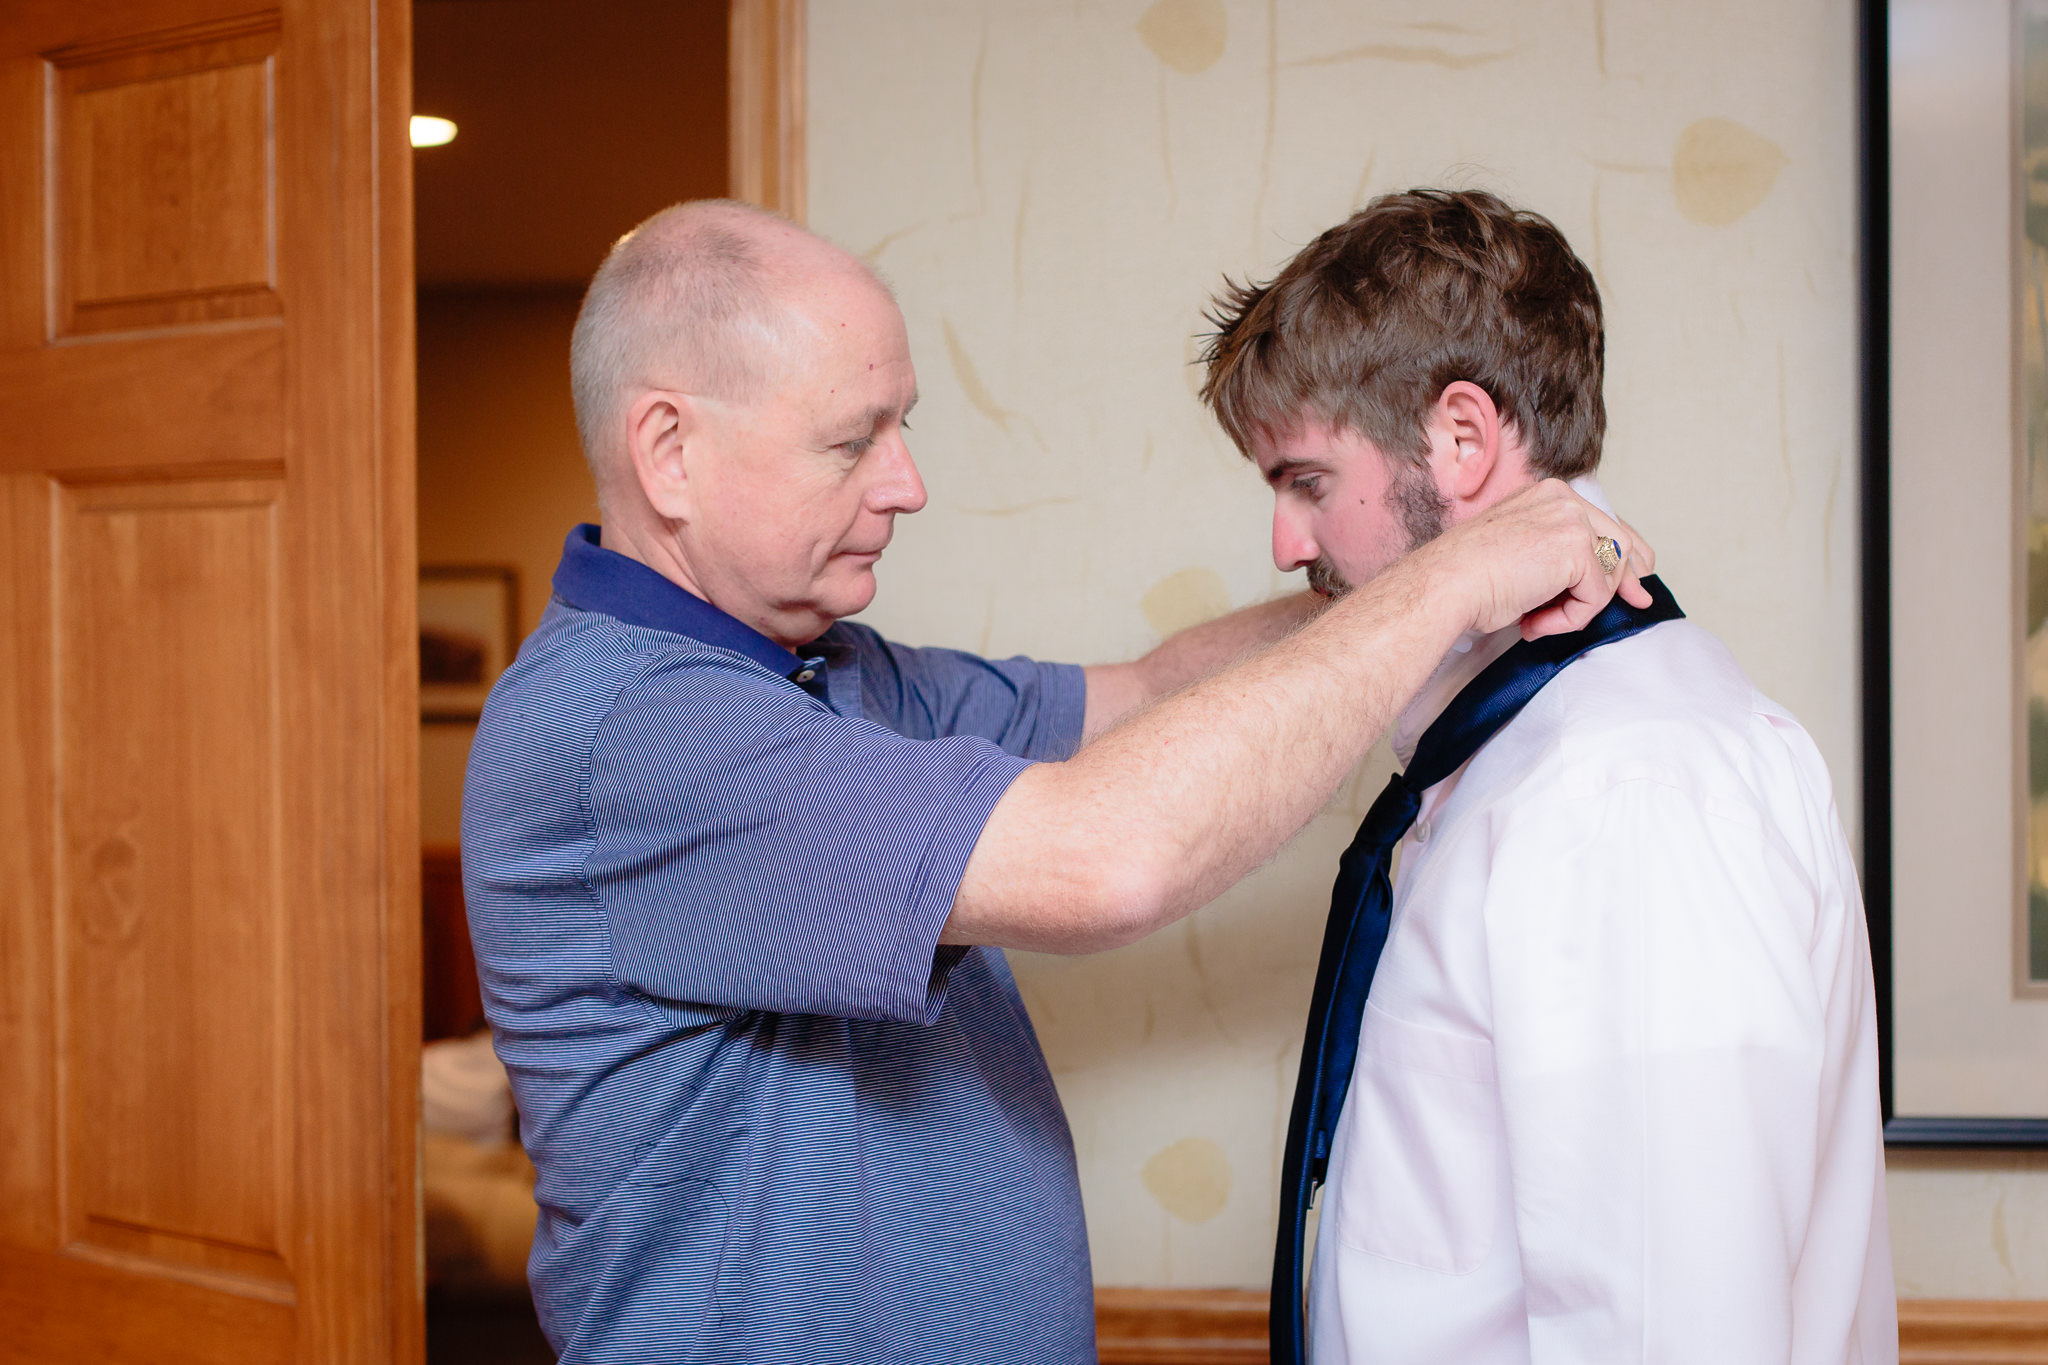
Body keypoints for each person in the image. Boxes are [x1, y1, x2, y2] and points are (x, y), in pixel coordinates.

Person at [461, 198, 1650, 1365]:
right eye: (850, 440)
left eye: (902, 426)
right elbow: (1107, 857)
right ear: (669, 452)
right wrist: (1451, 584)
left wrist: (1410, 554)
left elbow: (1138, 694)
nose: (906, 484)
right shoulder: (635, 735)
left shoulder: (824, 670)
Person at [1199, 188, 1894, 1365]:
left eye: (1305, 481)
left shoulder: (1626, 790)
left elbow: (1680, 1324)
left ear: (1460, 438)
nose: (1283, 543)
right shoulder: (1509, 749)